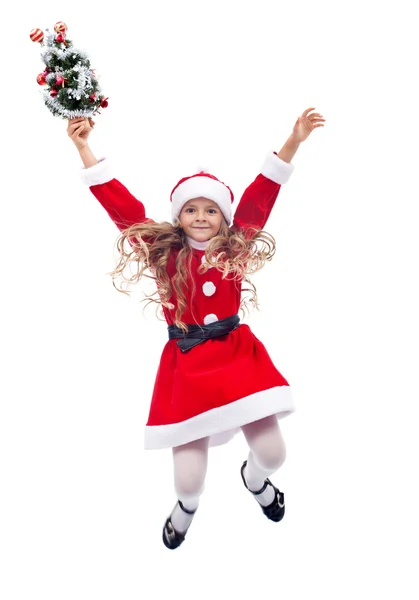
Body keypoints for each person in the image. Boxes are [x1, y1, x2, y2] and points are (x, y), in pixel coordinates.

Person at [67, 107, 325, 550]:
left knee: (274, 454)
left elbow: (261, 197)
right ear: (178, 215)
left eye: (211, 209)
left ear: (224, 218)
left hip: (238, 359)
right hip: (186, 368)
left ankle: (255, 481)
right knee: (188, 483)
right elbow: (121, 209)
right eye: (191, 209)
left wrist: (294, 140)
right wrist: (85, 147)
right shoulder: (160, 251)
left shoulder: (236, 246)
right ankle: (185, 509)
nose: (202, 216)